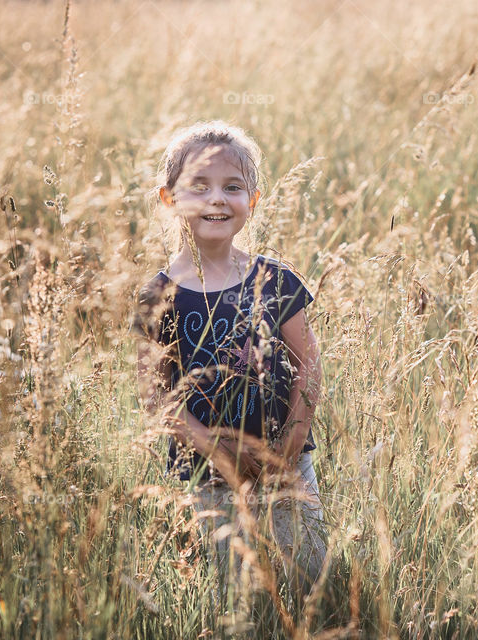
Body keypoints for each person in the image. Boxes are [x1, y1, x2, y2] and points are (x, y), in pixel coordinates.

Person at [130, 121, 326, 630]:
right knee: (227, 597)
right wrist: (212, 448)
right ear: (168, 199)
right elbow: (155, 396)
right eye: (199, 185)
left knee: (305, 580)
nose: (216, 199)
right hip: (204, 476)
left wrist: (289, 442)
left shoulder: (274, 280)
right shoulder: (157, 296)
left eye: (232, 187)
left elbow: (309, 362)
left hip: (285, 468)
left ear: (253, 200)